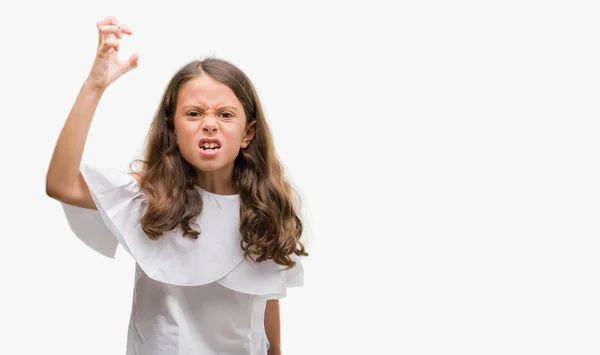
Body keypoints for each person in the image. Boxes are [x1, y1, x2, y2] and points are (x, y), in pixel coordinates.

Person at [45, 16, 308, 355]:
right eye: (194, 113)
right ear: (173, 129)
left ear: (248, 133)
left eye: (225, 115)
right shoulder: (147, 197)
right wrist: (94, 87)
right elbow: (61, 183)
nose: (210, 124)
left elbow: (267, 300)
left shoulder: (264, 209)